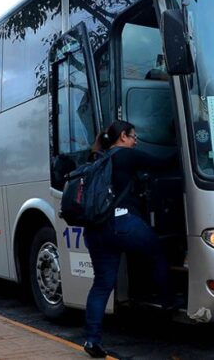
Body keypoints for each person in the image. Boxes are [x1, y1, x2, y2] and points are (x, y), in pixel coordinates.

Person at [83, 120, 178, 358]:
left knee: (102, 284)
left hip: (95, 230)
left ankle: (92, 340)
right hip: (123, 223)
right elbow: (165, 163)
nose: (136, 141)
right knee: (157, 252)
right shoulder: (127, 156)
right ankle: (169, 301)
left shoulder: (96, 160)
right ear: (123, 136)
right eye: (134, 136)